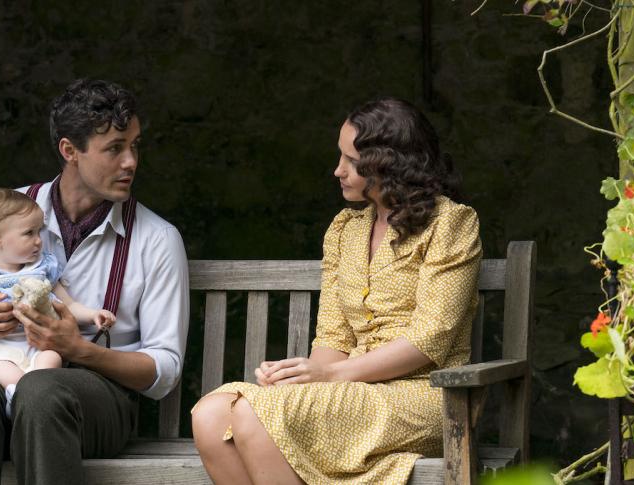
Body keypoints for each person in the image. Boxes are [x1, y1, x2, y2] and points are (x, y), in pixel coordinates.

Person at [191, 98, 481, 485]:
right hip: (352, 388)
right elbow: (334, 335)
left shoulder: (450, 224)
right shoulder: (346, 230)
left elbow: (431, 338)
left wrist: (329, 375)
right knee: (210, 415)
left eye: (351, 160)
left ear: (387, 164)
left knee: (253, 414)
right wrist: (300, 377)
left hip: (428, 396)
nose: (338, 170)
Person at [0, 79, 190, 485]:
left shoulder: (156, 239)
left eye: (134, 146)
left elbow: (164, 372)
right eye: (114, 148)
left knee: (43, 392)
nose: (131, 162)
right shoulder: (1, 213)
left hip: (97, 402)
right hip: (2, 378)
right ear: (70, 151)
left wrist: (79, 350)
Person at [0, 187, 117, 418]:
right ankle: (17, 399)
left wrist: (93, 315)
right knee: (7, 374)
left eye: (39, 231)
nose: (39, 241)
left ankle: (27, 401)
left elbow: (67, 306)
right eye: (29, 233)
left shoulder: (43, 267)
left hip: (38, 345)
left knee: (51, 360)